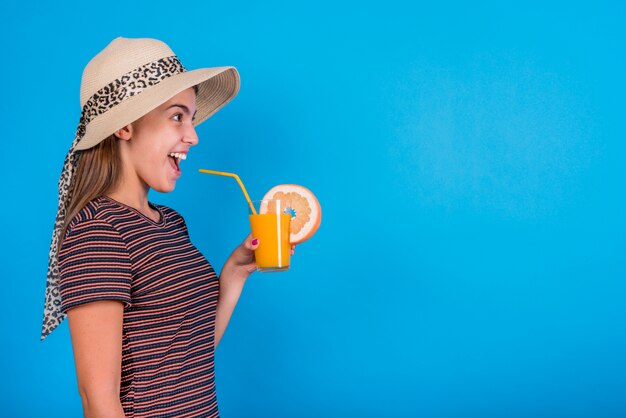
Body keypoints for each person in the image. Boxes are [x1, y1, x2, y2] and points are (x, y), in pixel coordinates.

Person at [41, 37, 293, 417]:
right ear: (124, 126)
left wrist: (236, 271)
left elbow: (188, 353)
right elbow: (98, 400)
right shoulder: (99, 231)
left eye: (190, 118)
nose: (193, 135)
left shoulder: (171, 223)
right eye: (178, 116)